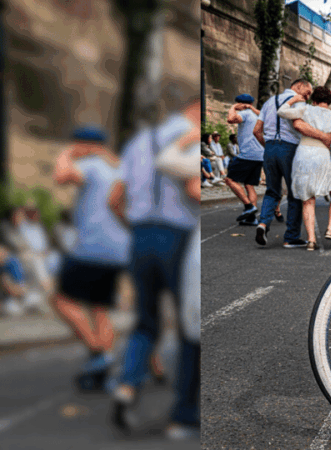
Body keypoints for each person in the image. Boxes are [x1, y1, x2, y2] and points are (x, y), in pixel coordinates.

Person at [108, 97, 202, 438]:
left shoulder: (138, 142)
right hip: (178, 237)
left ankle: (126, 386)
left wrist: (135, 227)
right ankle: (183, 416)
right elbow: (194, 190)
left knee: (146, 321)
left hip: (141, 236)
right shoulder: (190, 138)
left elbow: (114, 199)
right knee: (191, 328)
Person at [51, 125, 131, 392]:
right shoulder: (117, 166)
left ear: (85, 144)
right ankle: (104, 366)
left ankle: (99, 354)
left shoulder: (93, 165)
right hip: (118, 248)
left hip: (92, 247)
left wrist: (66, 153)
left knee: (60, 300)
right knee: (99, 308)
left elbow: (61, 176)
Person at [253, 79, 331, 248]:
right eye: (308, 92)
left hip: (270, 149)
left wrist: (269, 147)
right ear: (299, 86)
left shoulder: (269, 102)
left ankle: (263, 224)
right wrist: (322, 137)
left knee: (272, 191)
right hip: (290, 149)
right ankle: (291, 237)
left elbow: (256, 131)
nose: (308, 96)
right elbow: (299, 125)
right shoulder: (298, 102)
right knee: (295, 193)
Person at [276, 86, 331, 250]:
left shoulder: (305, 109)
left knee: (308, 198)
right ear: (329, 102)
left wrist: (294, 99)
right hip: (321, 154)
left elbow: (281, 112)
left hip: (303, 153)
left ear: (314, 99)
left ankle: (311, 240)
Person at [225, 94, 269, 225]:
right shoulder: (256, 114)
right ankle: (251, 218)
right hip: (259, 154)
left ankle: (249, 207)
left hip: (248, 154)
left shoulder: (245, 113)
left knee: (229, 180)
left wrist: (233, 107)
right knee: (249, 185)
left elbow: (230, 119)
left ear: (241, 104)